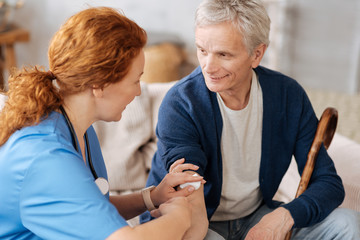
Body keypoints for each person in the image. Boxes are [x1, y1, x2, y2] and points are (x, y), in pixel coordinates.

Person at [142, 0, 360, 239]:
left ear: (256, 54)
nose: (208, 66)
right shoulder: (181, 103)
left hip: (256, 215)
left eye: (223, 54)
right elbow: (187, 189)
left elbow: (328, 182)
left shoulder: (287, 95)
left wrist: (283, 216)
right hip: (191, 219)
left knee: (348, 223)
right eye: (202, 50)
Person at [0, 7, 206, 240]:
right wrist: (181, 216)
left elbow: (89, 212)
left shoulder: (78, 127)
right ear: (99, 84)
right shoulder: (48, 156)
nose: (139, 91)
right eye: (135, 80)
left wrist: (152, 198)